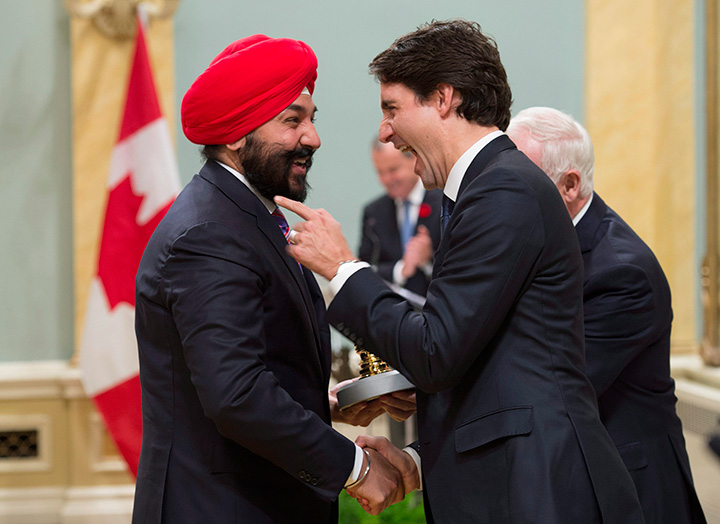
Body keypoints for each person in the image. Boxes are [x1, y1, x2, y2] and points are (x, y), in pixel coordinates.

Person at [276, 19, 645, 523]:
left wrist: (342, 268)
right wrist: (409, 394)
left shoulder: (501, 189)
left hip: (538, 490)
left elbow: (436, 351)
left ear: (444, 98)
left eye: (391, 109)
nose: (385, 131)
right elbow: (481, 351)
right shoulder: (487, 188)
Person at [131, 35, 407, 524]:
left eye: (312, 118)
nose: (313, 138)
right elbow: (237, 395)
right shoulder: (210, 233)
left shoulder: (246, 215)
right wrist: (358, 467)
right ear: (237, 134)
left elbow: (239, 369)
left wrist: (332, 402)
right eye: (292, 121)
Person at [506, 106, 707, 524]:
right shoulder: (543, 238)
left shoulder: (621, 271)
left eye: (521, 180)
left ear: (570, 184)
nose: (505, 193)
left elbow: (557, 386)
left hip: (631, 486)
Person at [359, 139, 441, 298]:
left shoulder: (444, 202)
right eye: (380, 172)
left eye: (393, 170)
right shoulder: (374, 213)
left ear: (414, 160)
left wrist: (427, 259)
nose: (387, 179)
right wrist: (401, 270)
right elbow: (365, 270)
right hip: (392, 309)